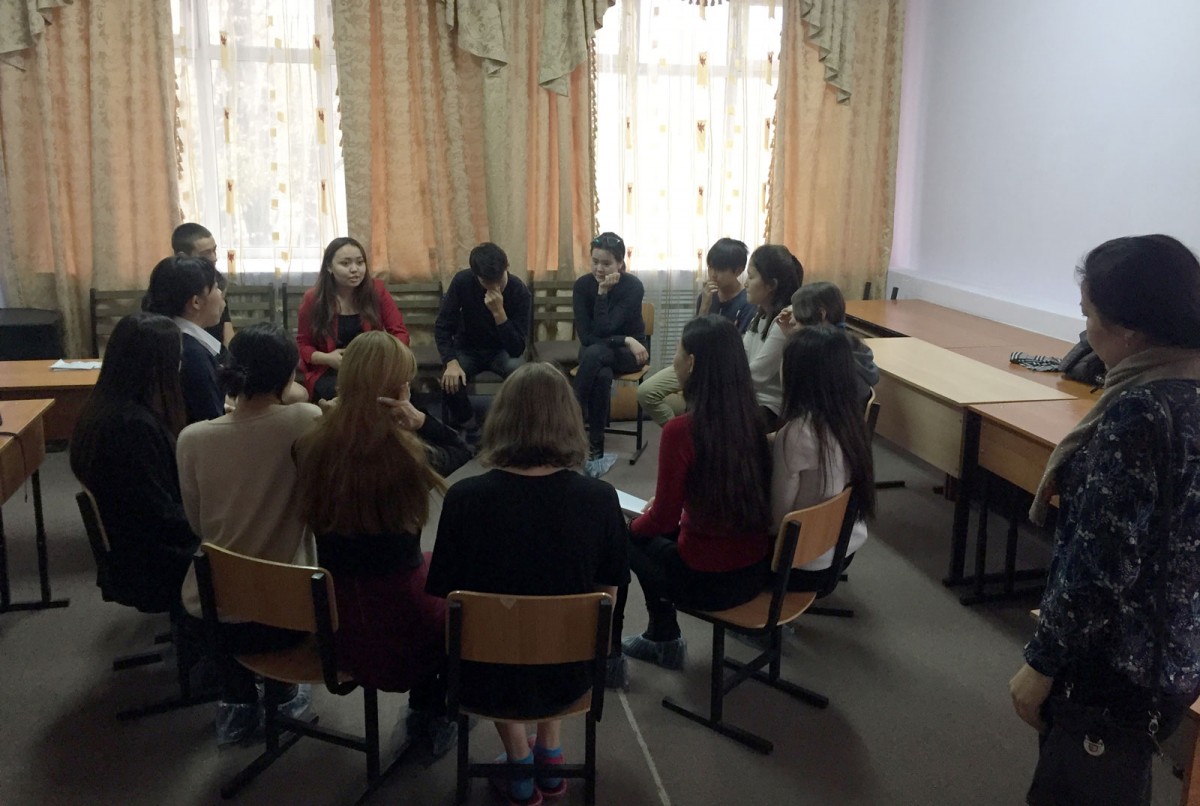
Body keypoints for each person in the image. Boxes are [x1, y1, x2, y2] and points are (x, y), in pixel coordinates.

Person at [1008, 234, 1200, 806]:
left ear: (1130, 330)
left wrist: (1041, 663)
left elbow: (1100, 565)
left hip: (1114, 665)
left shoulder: (1139, 411)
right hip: (1176, 649)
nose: (1085, 331)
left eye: (1088, 315)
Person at [426, 362, 629, 806]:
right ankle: (549, 753)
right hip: (572, 674)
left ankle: (519, 764)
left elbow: (451, 602)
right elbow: (608, 601)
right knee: (560, 621)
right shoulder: (600, 499)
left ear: (501, 420)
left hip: (485, 676)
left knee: (489, 630)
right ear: (569, 421)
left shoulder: (464, 499)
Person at [294, 331, 461, 758]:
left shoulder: (309, 446)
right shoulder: (409, 456)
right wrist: (421, 421)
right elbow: (461, 448)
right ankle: (429, 711)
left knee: (428, 566)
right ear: (399, 390)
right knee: (461, 594)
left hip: (336, 620)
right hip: (403, 623)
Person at [176, 323, 322, 745]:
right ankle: (284, 692)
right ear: (288, 375)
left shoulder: (193, 439)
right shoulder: (305, 421)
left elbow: (197, 523)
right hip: (289, 614)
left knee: (219, 582)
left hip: (212, 613)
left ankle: (238, 698)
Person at [613, 315, 772, 678]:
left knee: (624, 537)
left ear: (692, 363)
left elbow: (663, 519)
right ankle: (661, 637)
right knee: (653, 528)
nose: (674, 361)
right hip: (755, 571)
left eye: (677, 352)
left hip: (708, 582)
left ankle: (663, 638)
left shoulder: (681, 430)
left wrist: (632, 526)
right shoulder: (752, 418)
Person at [69, 312, 197, 614]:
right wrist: (216, 524)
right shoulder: (131, 428)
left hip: (134, 547)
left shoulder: (105, 408)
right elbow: (160, 516)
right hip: (150, 561)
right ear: (156, 368)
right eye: (176, 360)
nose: (180, 367)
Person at [771, 326, 876, 591]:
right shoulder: (850, 419)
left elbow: (778, 520)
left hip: (801, 566)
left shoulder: (796, 434)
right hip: (844, 548)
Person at [637, 237, 756, 426]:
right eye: (711, 267)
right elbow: (692, 338)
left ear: (738, 271)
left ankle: (691, 431)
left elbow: (738, 349)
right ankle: (680, 433)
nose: (713, 274)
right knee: (646, 392)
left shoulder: (747, 302)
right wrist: (705, 306)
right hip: (692, 363)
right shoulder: (706, 296)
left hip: (720, 370)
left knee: (703, 405)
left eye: (720, 269)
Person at [572, 232, 649, 478]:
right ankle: (596, 449)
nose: (599, 268)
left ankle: (566, 419)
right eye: (595, 261)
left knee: (595, 355)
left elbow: (605, 327)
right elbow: (586, 336)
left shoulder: (633, 286)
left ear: (620, 264)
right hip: (603, 348)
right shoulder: (582, 286)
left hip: (630, 354)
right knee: (602, 373)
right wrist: (625, 339)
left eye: (606, 263)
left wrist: (603, 294)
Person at [435, 242, 531, 436]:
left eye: (498, 280)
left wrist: (499, 314)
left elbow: (517, 348)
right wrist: (451, 361)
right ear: (475, 275)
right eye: (487, 282)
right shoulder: (462, 282)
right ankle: (469, 425)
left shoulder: (519, 291)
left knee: (522, 376)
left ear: (507, 267)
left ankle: (511, 427)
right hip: (467, 349)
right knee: (450, 380)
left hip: (502, 351)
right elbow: (442, 326)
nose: (494, 287)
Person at [297, 236, 409, 402]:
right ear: (329, 267)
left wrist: (384, 358)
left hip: (372, 367)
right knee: (343, 393)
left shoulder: (377, 291)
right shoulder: (313, 298)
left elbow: (399, 332)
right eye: (345, 263)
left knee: (390, 391)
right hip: (330, 369)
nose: (355, 269)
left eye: (360, 262)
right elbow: (303, 344)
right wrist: (327, 358)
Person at [143, 255, 227, 423]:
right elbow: (210, 423)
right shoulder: (193, 355)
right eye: (216, 288)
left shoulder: (157, 337)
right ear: (196, 302)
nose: (221, 295)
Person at [777, 281, 880, 409]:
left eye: (797, 318)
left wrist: (791, 345)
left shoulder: (822, 360)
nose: (792, 321)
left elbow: (791, 400)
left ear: (821, 315)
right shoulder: (854, 347)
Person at [742, 244, 803, 431]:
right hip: (752, 399)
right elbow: (741, 356)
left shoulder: (785, 319)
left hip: (771, 408)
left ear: (771, 285)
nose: (745, 284)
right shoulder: (761, 314)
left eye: (751, 277)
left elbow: (757, 375)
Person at [172, 223, 233, 346]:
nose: (214, 258)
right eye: (205, 254)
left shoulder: (216, 282)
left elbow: (227, 331)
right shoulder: (170, 288)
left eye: (214, 250)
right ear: (183, 257)